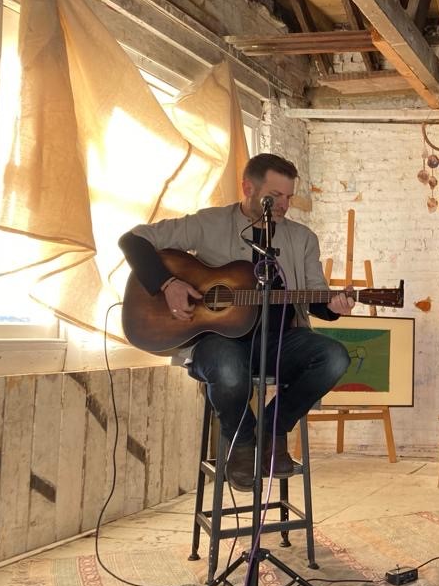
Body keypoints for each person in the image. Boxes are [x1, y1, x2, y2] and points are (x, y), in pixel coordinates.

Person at [119, 153, 354, 491]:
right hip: (221, 342)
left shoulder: (302, 239)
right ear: (248, 187)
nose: (285, 204)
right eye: (277, 196)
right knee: (228, 372)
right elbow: (134, 240)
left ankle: (273, 430)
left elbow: (316, 297)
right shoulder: (209, 223)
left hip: (280, 341)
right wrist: (168, 284)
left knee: (335, 357)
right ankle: (242, 443)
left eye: (289, 196)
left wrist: (334, 306)